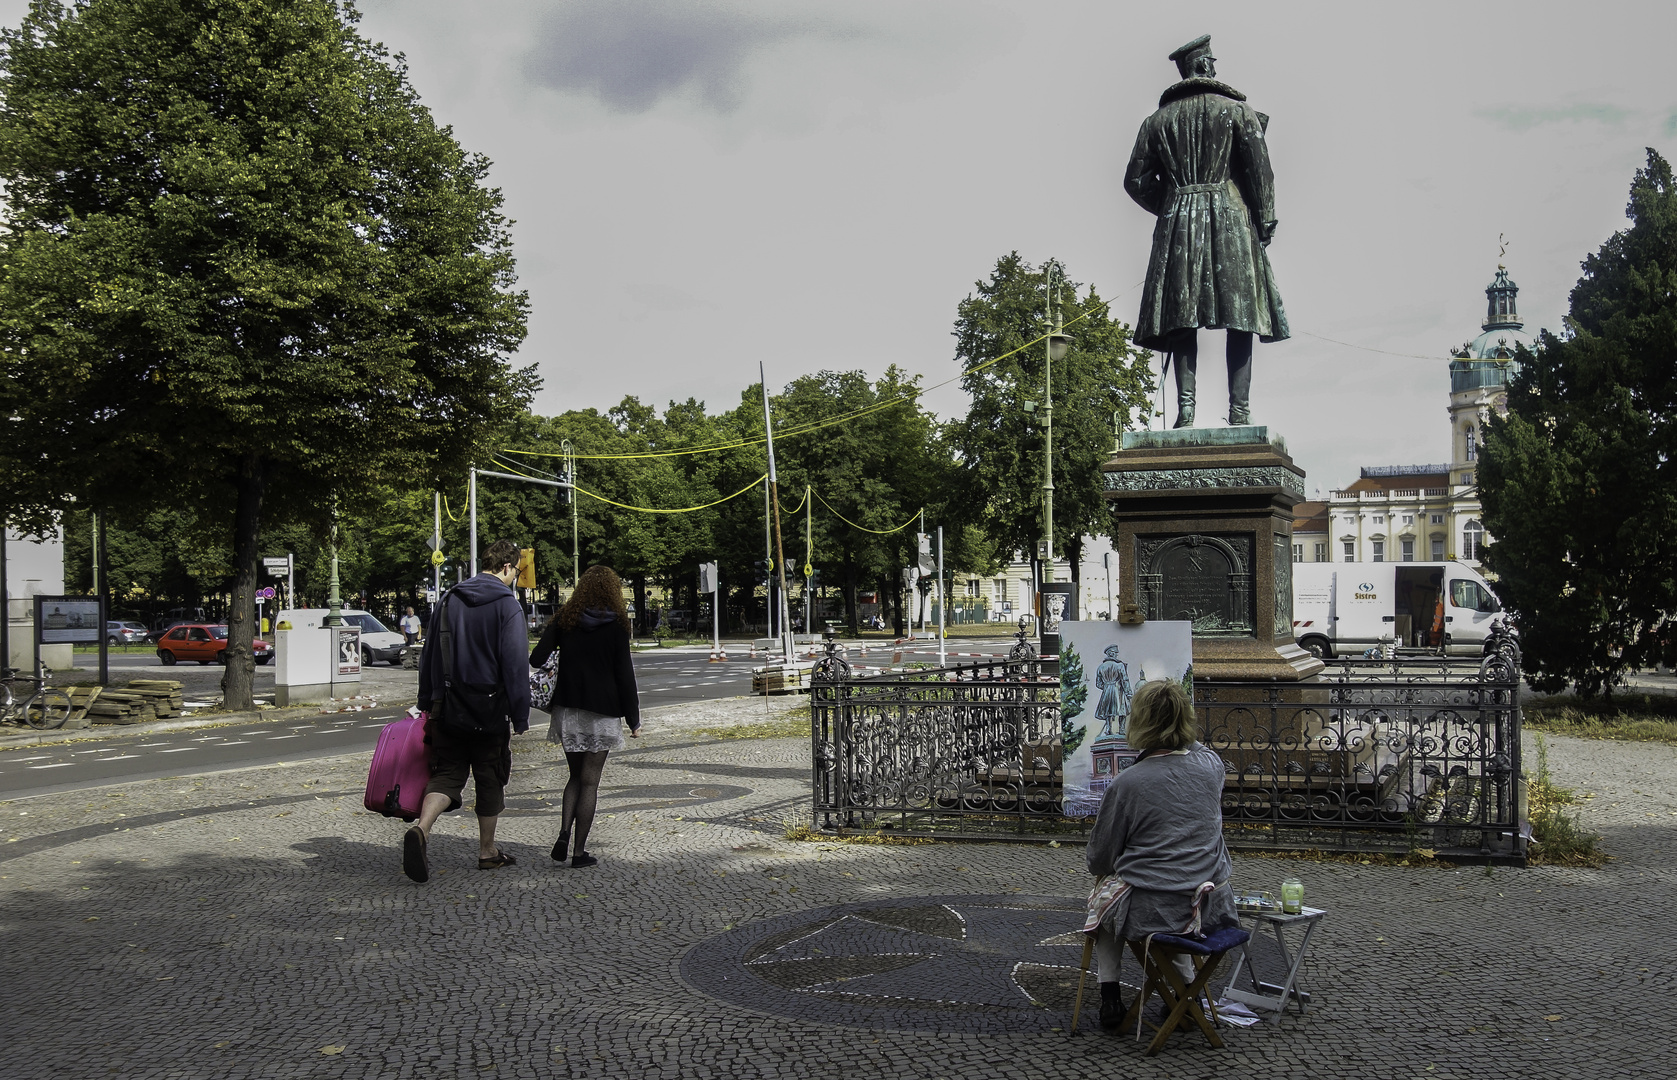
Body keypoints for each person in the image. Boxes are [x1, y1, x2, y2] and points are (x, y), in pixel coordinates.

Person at [1125, 34, 1289, 427]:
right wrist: (1265, 218)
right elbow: (1260, 172)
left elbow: (1135, 181)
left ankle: (1185, 410)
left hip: (1179, 220)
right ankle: (1240, 411)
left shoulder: (1156, 122)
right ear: (1203, 66)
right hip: (1231, 217)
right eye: (1211, 60)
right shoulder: (1238, 112)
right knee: (1241, 315)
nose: (1214, 64)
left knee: (1182, 318)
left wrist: (1168, 205)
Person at [1083, 679, 1238, 1033]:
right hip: (1210, 903)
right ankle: (1187, 996)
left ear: (1136, 721)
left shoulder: (1128, 783)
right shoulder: (1211, 765)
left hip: (1153, 909)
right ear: (1187, 718)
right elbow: (1193, 750)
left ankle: (1110, 993)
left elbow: (1100, 859)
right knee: (1173, 885)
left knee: (1105, 895)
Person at [404, 539, 531, 883]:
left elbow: (430, 653)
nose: (516, 577)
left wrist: (425, 702)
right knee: (490, 778)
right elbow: (515, 665)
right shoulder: (508, 606)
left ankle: (422, 829)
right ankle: (487, 851)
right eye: (516, 571)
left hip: (448, 707)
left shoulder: (449, 598)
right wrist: (520, 715)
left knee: (447, 774)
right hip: (489, 711)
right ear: (507, 567)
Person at [529, 564, 641, 868]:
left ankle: (564, 832)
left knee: (574, 777)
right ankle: (578, 852)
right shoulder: (617, 624)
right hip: (602, 712)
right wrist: (633, 719)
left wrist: (560, 651)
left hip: (568, 709)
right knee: (591, 782)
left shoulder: (566, 618)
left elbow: (536, 658)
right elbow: (624, 674)